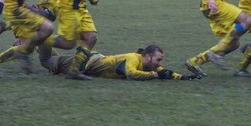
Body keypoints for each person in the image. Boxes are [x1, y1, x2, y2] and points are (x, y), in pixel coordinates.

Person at [46, 44, 200, 81]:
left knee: (50, 59)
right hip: (85, 63)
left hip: (92, 62)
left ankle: (37, 41)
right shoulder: (133, 59)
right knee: (47, 62)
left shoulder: (148, 63)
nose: (159, 63)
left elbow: (164, 72)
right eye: (158, 59)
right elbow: (131, 74)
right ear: (147, 57)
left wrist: (183, 77)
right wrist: (151, 75)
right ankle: (27, 42)